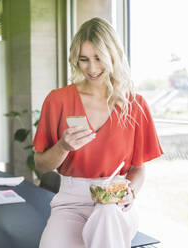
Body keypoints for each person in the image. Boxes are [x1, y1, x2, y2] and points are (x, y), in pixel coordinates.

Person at [33, 17, 163, 248]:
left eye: (99, 59)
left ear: (114, 56)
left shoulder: (135, 104)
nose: (92, 69)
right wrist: (63, 147)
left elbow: (138, 168)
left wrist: (131, 191)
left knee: (107, 214)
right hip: (71, 202)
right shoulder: (58, 100)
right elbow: (41, 166)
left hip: (115, 203)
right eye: (84, 60)